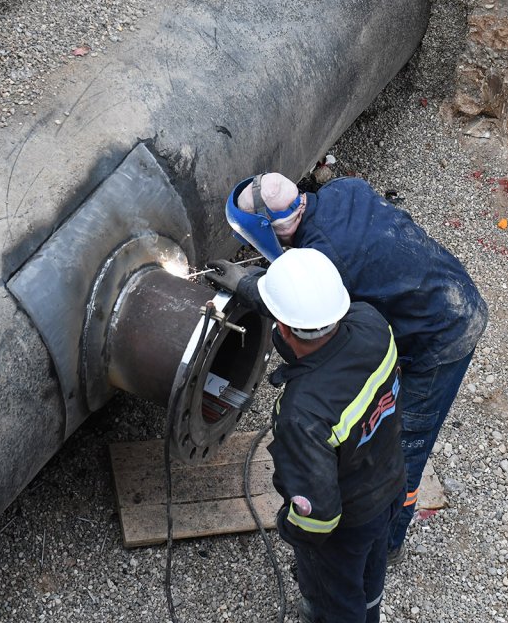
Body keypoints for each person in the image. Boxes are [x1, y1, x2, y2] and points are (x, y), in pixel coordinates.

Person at [210, 171, 488, 563]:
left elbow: (311, 320)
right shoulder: (344, 189)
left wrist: (253, 289)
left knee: (406, 444)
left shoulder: (326, 258)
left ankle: (388, 543)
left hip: (445, 332)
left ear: (266, 231)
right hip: (448, 290)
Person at [207, 247, 403, 623]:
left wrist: (289, 527)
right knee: (369, 573)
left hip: (347, 524)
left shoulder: (302, 414)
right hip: (389, 482)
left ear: (281, 328)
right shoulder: (373, 323)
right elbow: (312, 318)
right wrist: (249, 288)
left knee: (337, 597)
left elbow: (319, 518)